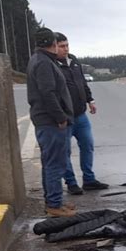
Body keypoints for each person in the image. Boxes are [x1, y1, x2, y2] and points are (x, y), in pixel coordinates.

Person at [26, 28, 76, 217]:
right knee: (55, 163)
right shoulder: (44, 63)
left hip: (46, 120)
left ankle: (54, 201)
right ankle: (54, 205)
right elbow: (49, 93)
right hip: (51, 122)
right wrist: (60, 117)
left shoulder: (40, 59)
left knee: (50, 163)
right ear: (53, 44)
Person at [55, 32, 109, 194]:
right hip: (64, 117)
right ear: (54, 46)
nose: (65, 49)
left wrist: (90, 100)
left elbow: (82, 83)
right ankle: (71, 183)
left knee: (88, 145)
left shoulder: (73, 61)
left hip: (80, 114)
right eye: (61, 46)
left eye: (67, 45)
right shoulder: (51, 65)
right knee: (65, 151)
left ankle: (89, 179)